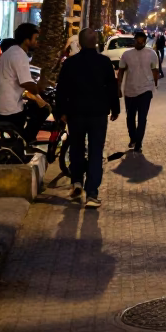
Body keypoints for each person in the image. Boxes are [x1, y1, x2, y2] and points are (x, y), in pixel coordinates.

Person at [54, 28, 120, 208]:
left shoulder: (70, 63)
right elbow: (112, 88)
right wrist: (115, 108)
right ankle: (92, 194)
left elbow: (62, 90)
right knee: (95, 152)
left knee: (76, 147)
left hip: (76, 113)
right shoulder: (104, 62)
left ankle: (76, 181)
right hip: (98, 114)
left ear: (80, 43)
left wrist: (61, 112)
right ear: (96, 42)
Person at [0, 23, 48, 146]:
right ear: (26, 40)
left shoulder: (11, 51)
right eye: (35, 38)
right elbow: (27, 83)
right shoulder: (19, 55)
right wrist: (40, 89)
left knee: (33, 106)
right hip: (9, 109)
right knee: (44, 110)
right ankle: (26, 140)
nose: (38, 42)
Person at [118, 29, 161, 153]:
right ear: (135, 40)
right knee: (130, 117)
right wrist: (119, 88)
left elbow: (155, 70)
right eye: (138, 41)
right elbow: (121, 71)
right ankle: (133, 137)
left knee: (142, 118)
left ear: (145, 41)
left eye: (142, 41)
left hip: (146, 90)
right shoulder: (127, 55)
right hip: (130, 90)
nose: (140, 43)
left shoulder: (152, 54)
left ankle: (139, 143)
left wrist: (155, 85)